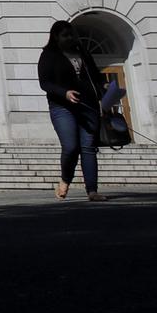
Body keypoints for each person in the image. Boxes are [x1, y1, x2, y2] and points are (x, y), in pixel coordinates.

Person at [36, 20, 114, 202]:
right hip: (62, 106)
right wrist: (65, 93)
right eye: (65, 35)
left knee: (88, 148)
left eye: (71, 34)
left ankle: (92, 191)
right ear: (56, 37)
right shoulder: (48, 55)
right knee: (71, 146)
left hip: (88, 105)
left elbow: (96, 75)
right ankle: (65, 179)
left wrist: (104, 86)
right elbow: (44, 83)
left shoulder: (83, 53)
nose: (70, 38)